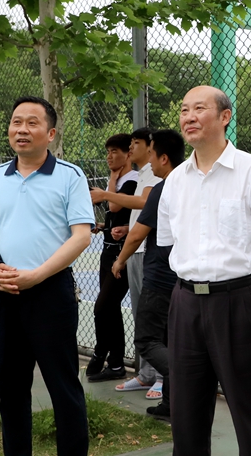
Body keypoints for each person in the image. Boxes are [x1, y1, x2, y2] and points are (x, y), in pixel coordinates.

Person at [159, 85, 251, 455]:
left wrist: (239, 276)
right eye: (184, 110)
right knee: (186, 417)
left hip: (239, 304)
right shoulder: (175, 180)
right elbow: (169, 241)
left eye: (199, 108)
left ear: (224, 117)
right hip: (185, 304)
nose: (189, 117)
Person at [0, 96, 94, 456]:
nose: (22, 129)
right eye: (16, 122)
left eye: (32, 123)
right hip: (5, 294)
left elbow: (81, 236)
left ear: (50, 133)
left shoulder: (70, 176)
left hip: (51, 293)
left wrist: (37, 275)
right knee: (11, 388)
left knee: (63, 386)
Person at [111, 128, 185, 421]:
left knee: (147, 339)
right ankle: (171, 404)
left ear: (164, 158)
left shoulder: (162, 189)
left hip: (160, 277)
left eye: (152, 154)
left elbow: (137, 234)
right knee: (168, 338)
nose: (150, 160)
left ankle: (185, 376)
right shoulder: (191, 185)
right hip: (182, 277)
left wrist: (120, 261)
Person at [91, 127, 162, 397]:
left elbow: (143, 203)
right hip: (133, 250)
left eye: (136, 143)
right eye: (130, 143)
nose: (131, 147)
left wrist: (107, 194)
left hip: (146, 252)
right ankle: (146, 375)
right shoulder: (143, 173)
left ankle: (161, 377)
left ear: (150, 146)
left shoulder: (153, 174)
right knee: (140, 315)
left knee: (151, 316)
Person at [86, 134, 138, 382]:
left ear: (128, 154)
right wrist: (103, 226)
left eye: (115, 151)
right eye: (107, 151)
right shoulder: (116, 182)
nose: (109, 156)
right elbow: (113, 216)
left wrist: (113, 180)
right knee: (110, 309)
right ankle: (116, 363)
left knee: (102, 306)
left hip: (123, 254)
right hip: (107, 252)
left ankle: (100, 352)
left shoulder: (133, 180)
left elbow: (116, 207)